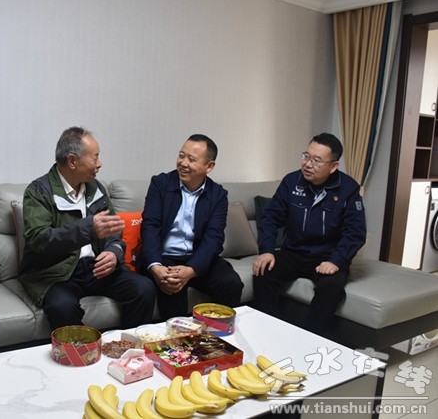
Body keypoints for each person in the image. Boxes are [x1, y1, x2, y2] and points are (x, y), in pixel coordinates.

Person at [18, 126, 156, 330]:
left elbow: (114, 230)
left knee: (144, 288)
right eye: (95, 157)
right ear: (72, 161)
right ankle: (84, 350)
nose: (99, 164)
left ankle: (127, 345)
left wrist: (114, 252)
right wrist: (88, 229)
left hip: (95, 268)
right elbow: (39, 239)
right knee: (62, 307)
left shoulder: (96, 189)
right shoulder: (38, 191)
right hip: (57, 273)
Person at [252, 133, 366, 335]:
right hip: (294, 252)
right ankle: (269, 331)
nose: (307, 164)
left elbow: (355, 232)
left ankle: (310, 338)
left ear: (333, 166)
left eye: (316, 160)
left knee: (331, 288)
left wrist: (336, 261)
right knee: (263, 271)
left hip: (327, 257)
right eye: (306, 156)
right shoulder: (291, 182)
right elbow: (270, 218)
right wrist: (267, 250)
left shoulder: (348, 189)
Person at [139, 134, 244, 320]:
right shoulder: (160, 184)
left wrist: (192, 269)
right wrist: (155, 266)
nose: (183, 163)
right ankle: (180, 337)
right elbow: (150, 226)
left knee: (231, 283)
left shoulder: (218, 195)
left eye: (191, 159)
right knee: (172, 290)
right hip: (165, 257)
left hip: (198, 257)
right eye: (181, 156)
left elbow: (214, 238)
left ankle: (218, 333)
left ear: (209, 166)